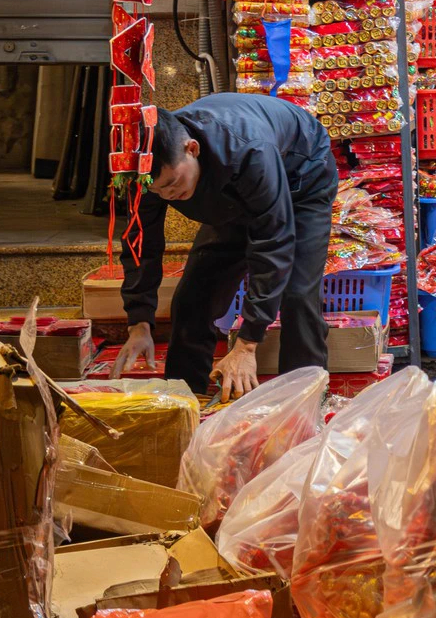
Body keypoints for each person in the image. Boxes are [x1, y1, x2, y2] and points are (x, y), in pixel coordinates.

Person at [114, 95, 340, 401]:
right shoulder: (145, 174)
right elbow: (140, 243)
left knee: (297, 294)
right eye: (158, 191)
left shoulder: (249, 151)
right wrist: (139, 321)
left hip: (300, 175)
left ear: (192, 149)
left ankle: (303, 400)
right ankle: (182, 402)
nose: (167, 195)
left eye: (172, 184)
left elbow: (274, 242)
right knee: (193, 296)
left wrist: (247, 344)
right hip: (229, 191)